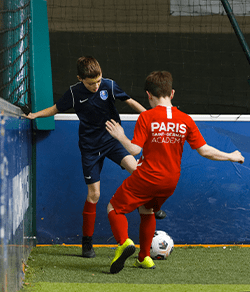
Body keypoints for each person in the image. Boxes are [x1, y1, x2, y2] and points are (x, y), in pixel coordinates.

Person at [25, 56, 166, 258]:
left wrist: (152, 117)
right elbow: (55, 109)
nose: (96, 86)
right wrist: (35, 115)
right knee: (94, 195)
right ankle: (87, 242)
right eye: (91, 83)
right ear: (80, 79)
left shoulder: (108, 85)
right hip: (90, 148)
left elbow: (130, 101)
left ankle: (155, 204)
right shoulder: (74, 93)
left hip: (112, 141)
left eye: (98, 81)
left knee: (138, 170)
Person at [105, 70, 245, 274]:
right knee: (147, 210)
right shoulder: (185, 120)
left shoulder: (147, 117)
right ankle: (144, 258)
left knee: (114, 208)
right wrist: (232, 155)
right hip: (169, 182)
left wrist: (120, 135)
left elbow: (135, 150)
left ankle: (124, 242)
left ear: (149, 95)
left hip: (147, 177)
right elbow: (205, 151)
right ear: (172, 94)